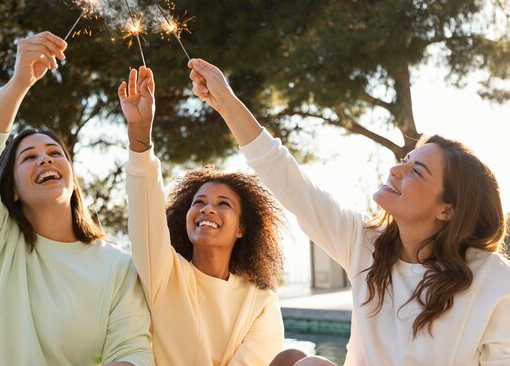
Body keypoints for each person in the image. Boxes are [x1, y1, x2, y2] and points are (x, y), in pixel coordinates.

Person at [188, 58, 510, 366]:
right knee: (295, 360)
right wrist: (226, 102)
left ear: (447, 209)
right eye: (406, 159)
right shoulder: (365, 243)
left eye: (417, 171)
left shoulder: (493, 280)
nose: (397, 170)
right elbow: (287, 181)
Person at [0, 31, 154, 366]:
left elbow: (132, 350)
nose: (45, 159)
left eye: (55, 153)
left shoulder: (116, 266)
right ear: (12, 189)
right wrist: (19, 83)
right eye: (28, 157)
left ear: (72, 180)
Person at [118, 66, 287, 366]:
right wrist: (140, 133)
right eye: (199, 202)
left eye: (224, 204)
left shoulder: (260, 302)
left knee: (299, 360)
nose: (207, 209)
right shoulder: (165, 274)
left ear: (242, 228)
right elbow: (145, 210)